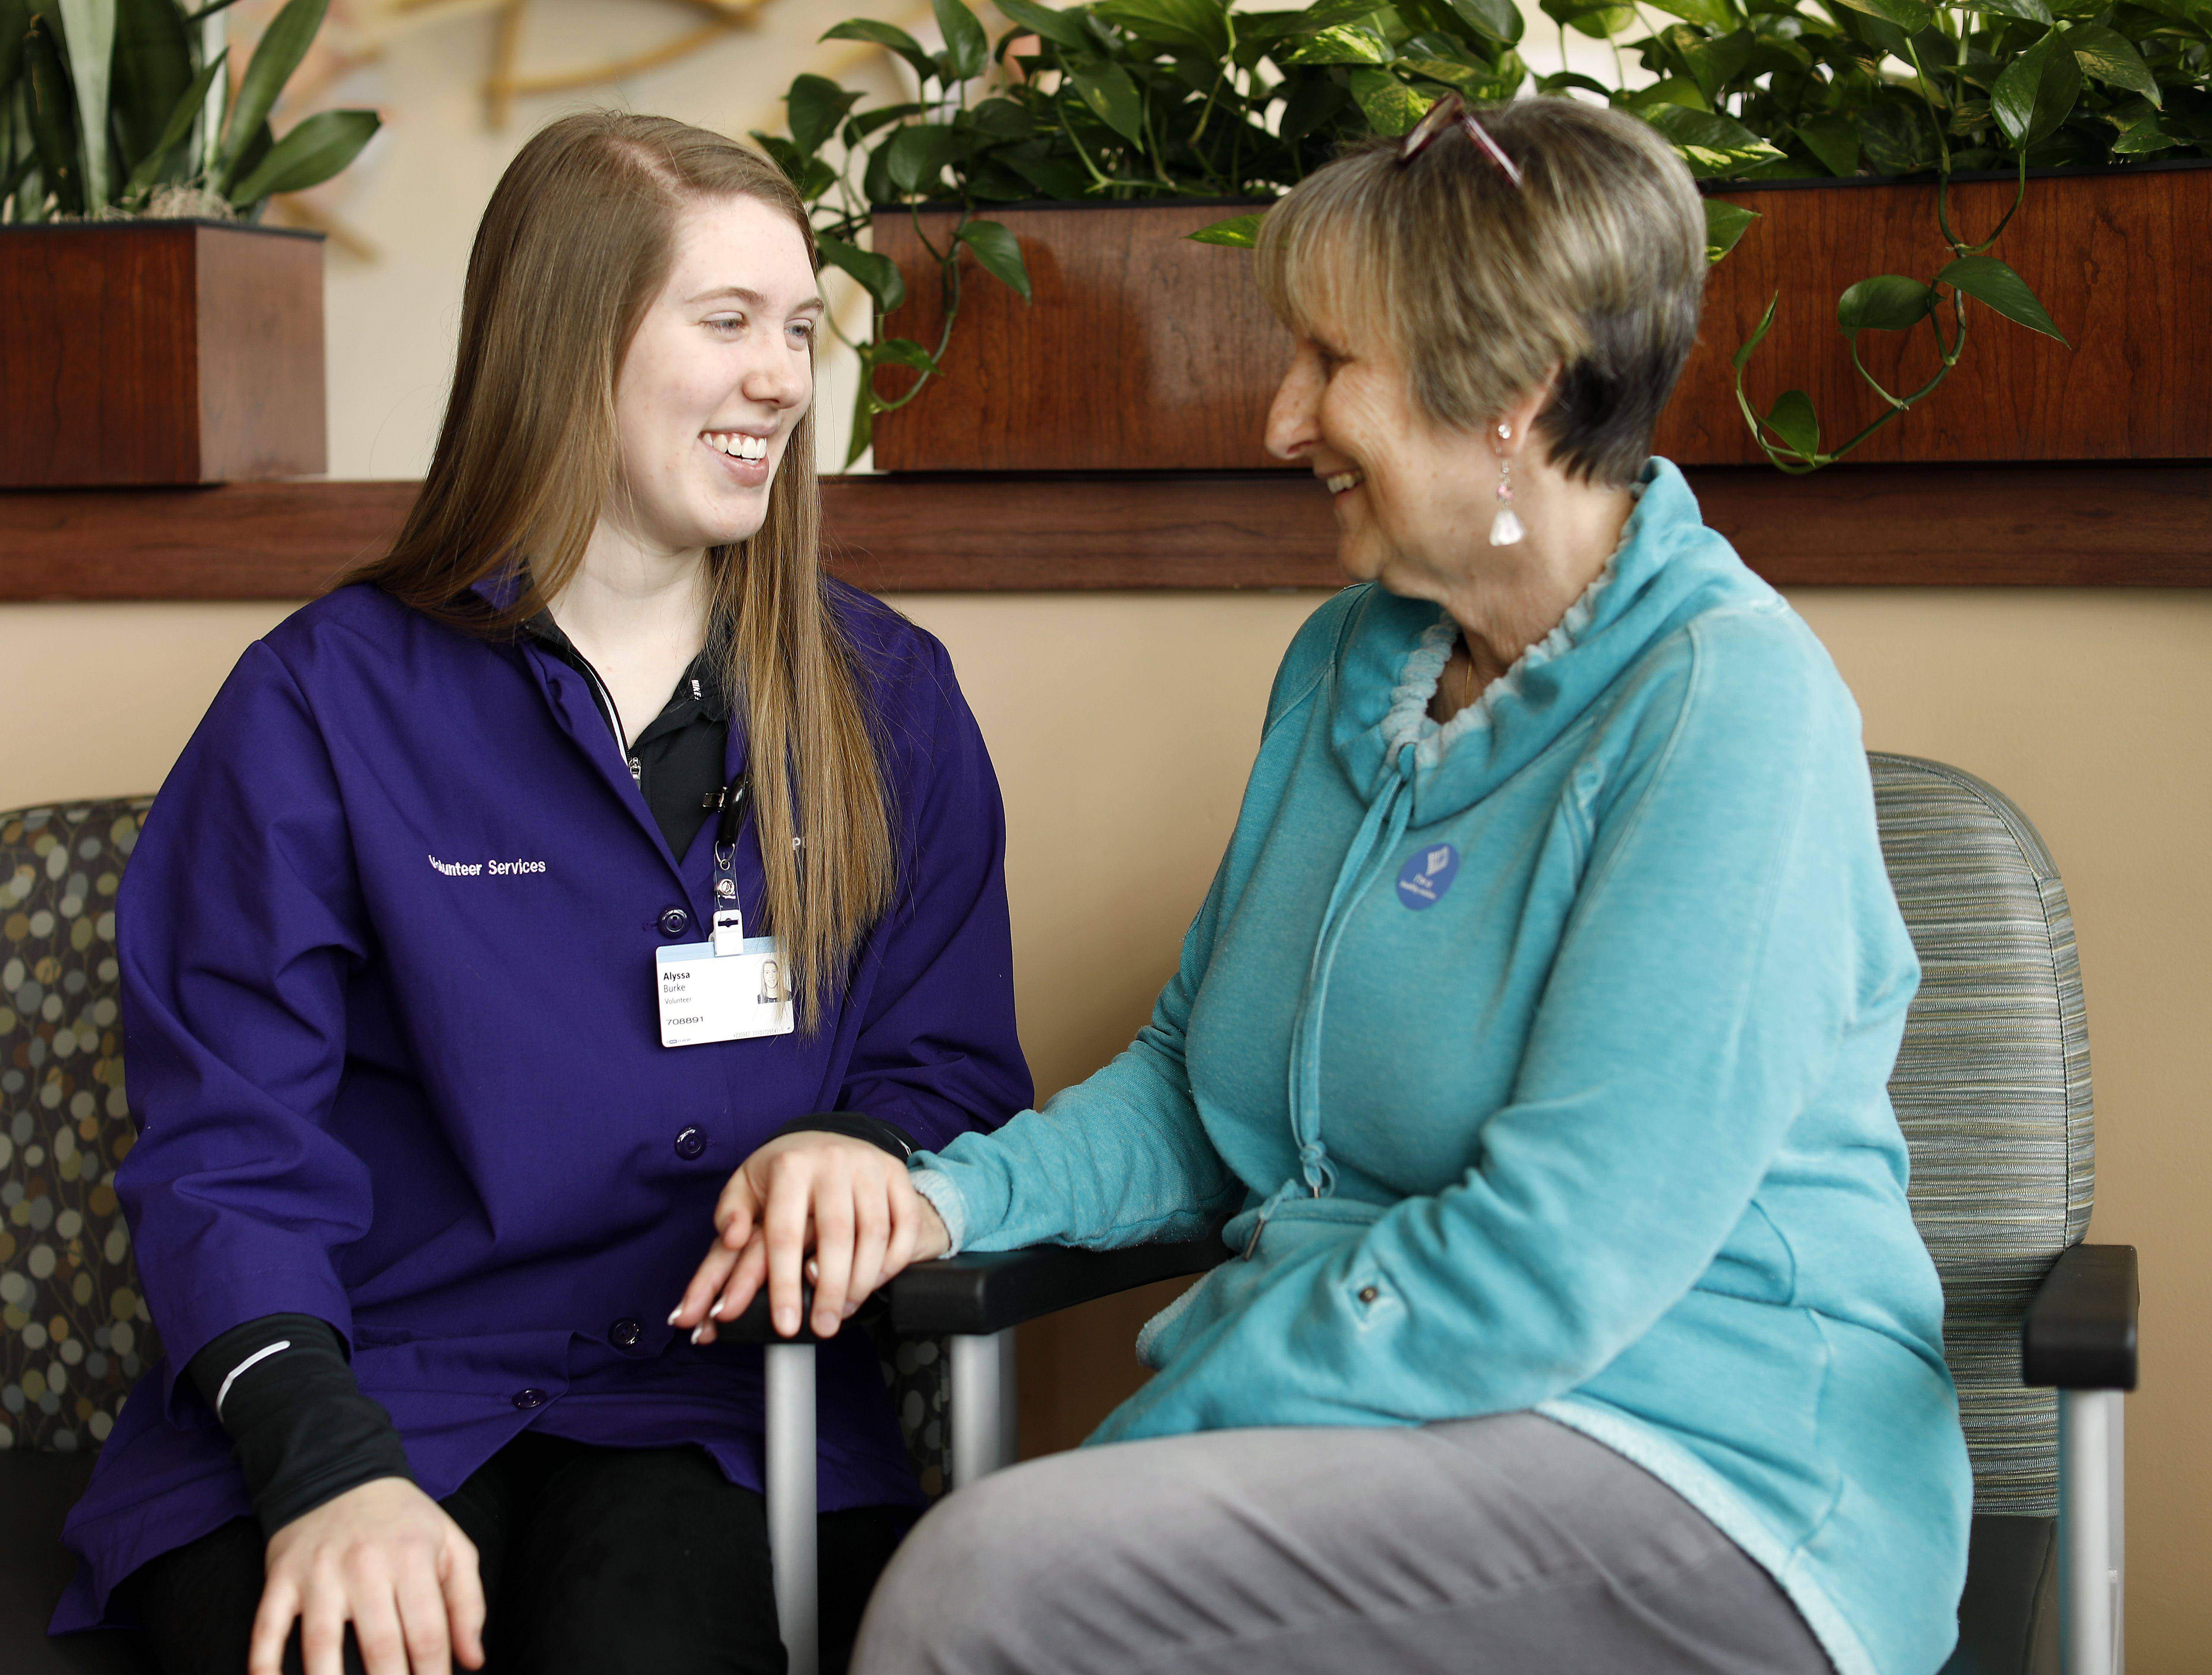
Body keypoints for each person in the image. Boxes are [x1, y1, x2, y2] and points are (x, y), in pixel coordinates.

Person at [678, 95, 1972, 1675]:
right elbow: (1192, 1092)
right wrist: (939, 1195)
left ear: (1512, 391)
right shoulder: (1351, 665)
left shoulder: (1725, 708)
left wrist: (1170, 1420)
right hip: (1384, 1434)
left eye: (1330, 363)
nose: (1280, 420)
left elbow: (1555, 1263)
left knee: (986, 1585)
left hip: (1709, 1468)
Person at [50, 111, 1032, 1675]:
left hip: (719, 1402)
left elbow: (950, 1062)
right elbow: (231, 1147)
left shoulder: (888, 698)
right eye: (727, 323)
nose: (784, 378)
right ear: (568, 345)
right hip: (376, 1374)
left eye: (799, 328)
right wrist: (323, 1461)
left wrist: (864, 1147)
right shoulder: (317, 703)